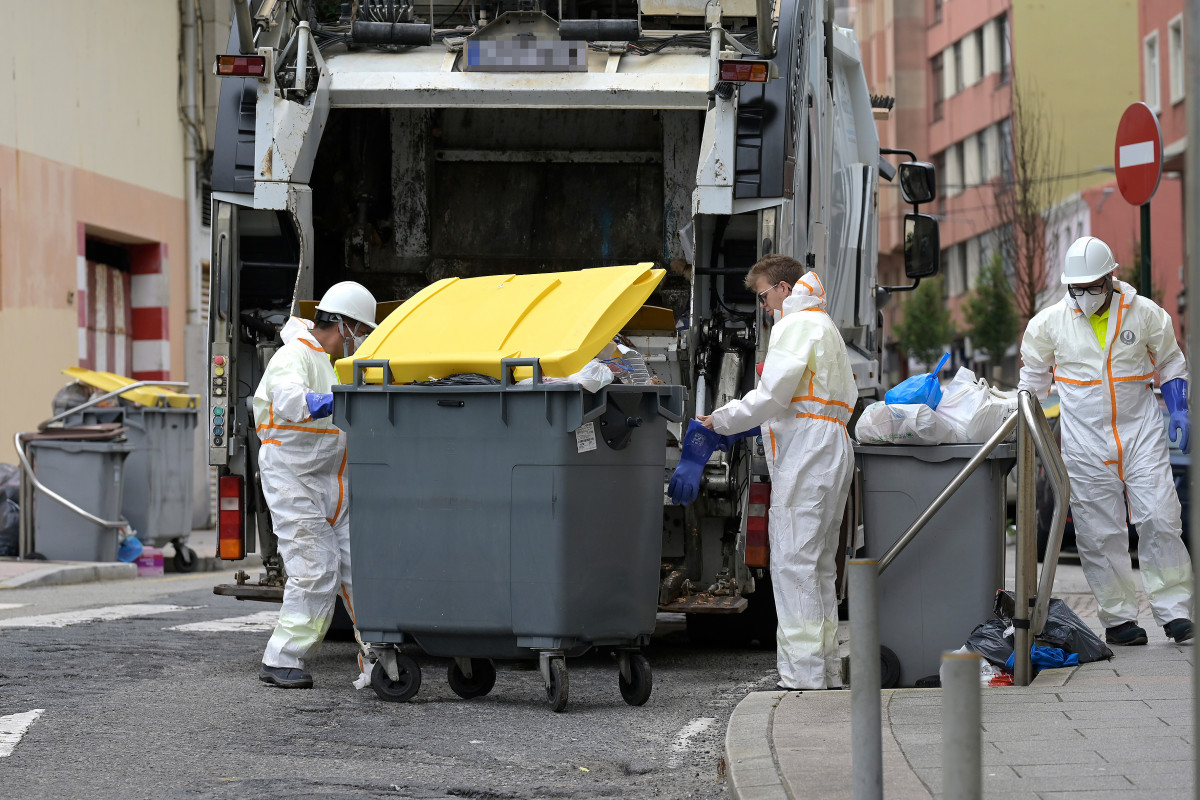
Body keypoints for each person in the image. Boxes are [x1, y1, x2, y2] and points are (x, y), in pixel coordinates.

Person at [1019, 236, 1193, 646]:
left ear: (1110, 278)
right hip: (1085, 443)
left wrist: (1180, 406)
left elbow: (1169, 362)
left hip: (1140, 434)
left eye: (1092, 286)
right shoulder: (1048, 324)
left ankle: (1175, 612)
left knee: (1160, 516)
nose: (1083, 296)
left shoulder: (1145, 314)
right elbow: (1032, 381)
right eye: (1075, 288)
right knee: (1099, 532)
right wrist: (1027, 425)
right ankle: (1119, 620)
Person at [699, 255, 858, 690]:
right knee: (821, 563)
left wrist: (723, 419)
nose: (765, 306)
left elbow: (772, 395)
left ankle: (803, 675)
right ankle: (824, 668)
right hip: (831, 445)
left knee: (793, 562)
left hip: (807, 450)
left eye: (765, 296)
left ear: (785, 289)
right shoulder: (825, 327)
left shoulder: (796, 324)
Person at [254, 281, 378, 688]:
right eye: (360, 331)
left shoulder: (333, 361)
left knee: (361, 569)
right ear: (342, 324)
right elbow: (290, 402)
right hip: (293, 478)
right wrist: (340, 400)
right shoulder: (295, 356)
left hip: (333, 480)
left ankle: (378, 654)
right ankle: (281, 657)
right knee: (315, 569)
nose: (360, 340)